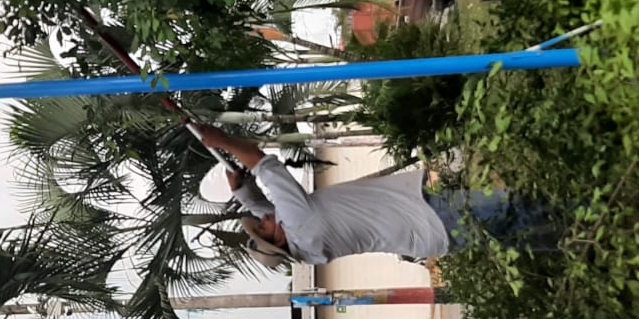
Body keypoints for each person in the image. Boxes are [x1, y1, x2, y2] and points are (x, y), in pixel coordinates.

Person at [199, 127, 558, 267]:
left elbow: (265, 210)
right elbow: (261, 162)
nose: (262, 219)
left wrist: (241, 191)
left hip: (430, 232)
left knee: (526, 234)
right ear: (279, 239)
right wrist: (220, 140)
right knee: (522, 210)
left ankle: (580, 238)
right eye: (262, 227)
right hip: (432, 218)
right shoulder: (300, 223)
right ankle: (586, 214)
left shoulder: (304, 244)